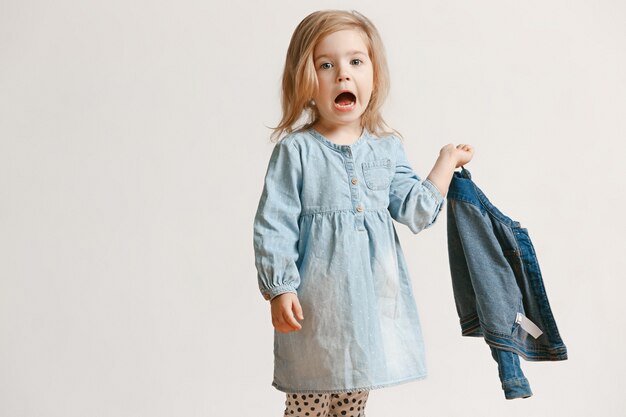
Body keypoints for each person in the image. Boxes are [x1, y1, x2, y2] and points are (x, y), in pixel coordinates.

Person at [253, 9, 474, 417]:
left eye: (356, 61)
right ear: (305, 80)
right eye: (326, 64)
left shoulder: (386, 149)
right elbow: (274, 225)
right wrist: (280, 287)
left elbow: (415, 211)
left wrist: (445, 162)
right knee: (306, 404)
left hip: (367, 314)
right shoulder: (296, 152)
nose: (343, 74)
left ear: (374, 75)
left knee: (350, 408)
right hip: (315, 313)